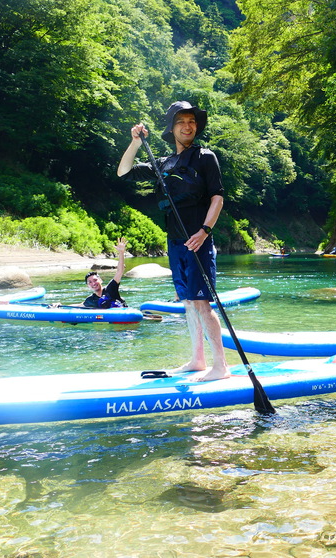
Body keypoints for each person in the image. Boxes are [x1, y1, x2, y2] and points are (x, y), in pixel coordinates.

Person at [116, 101, 228, 381]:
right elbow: (123, 171)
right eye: (182, 122)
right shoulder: (164, 163)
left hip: (198, 240)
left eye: (192, 121)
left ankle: (221, 367)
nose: (188, 126)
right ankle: (197, 360)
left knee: (203, 303)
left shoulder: (205, 157)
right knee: (189, 302)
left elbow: (217, 197)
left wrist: (204, 231)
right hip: (175, 241)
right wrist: (135, 143)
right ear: (172, 128)